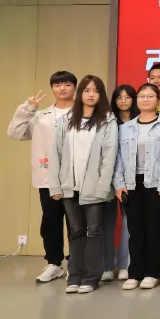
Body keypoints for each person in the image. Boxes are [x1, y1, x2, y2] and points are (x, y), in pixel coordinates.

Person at [46, 75, 118, 294]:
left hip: (95, 188)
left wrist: (103, 187)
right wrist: (55, 186)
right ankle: (74, 276)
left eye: (96, 91)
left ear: (101, 95)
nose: (91, 95)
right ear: (80, 94)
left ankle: (91, 277)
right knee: (76, 231)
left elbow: (109, 157)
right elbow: (56, 154)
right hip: (70, 186)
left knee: (94, 231)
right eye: (87, 90)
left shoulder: (108, 120)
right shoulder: (67, 120)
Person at [7, 70, 77, 284]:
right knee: (51, 222)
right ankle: (54, 264)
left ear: (75, 87)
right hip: (47, 177)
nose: (62, 88)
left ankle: (76, 263)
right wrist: (27, 109)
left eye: (67, 84)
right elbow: (15, 133)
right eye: (57, 85)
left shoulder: (83, 113)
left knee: (76, 223)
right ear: (52, 88)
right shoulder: (40, 116)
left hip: (76, 177)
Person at [114, 83, 160, 290]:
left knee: (154, 229)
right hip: (131, 184)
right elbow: (118, 158)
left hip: (156, 184)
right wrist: (119, 183)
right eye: (142, 96)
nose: (145, 99)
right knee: (135, 230)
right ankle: (135, 272)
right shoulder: (126, 128)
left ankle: (152, 272)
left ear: (158, 100)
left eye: (150, 96)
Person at [102, 84, 135, 283]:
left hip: (128, 180)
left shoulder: (140, 121)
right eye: (119, 97)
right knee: (105, 223)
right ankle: (106, 266)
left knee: (127, 222)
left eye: (127, 97)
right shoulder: (107, 121)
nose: (123, 101)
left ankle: (125, 264)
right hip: (105, 178)